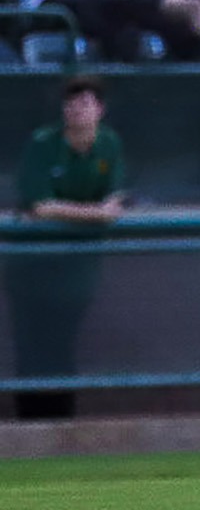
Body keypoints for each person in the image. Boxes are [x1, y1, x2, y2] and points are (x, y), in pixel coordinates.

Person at [7, 77, 126, 420]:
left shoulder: (109, 145)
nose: (77, 110)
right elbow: (40, 206)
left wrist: (101, 212)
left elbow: (115, 200)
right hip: (31, 269)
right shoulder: (44, 144)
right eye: (71, 104)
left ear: (100, 110)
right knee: (31, 345)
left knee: (62, 343)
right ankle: (29, 422)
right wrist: (93, 213)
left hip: (78, 270)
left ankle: (61, 420)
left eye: (85, 103)